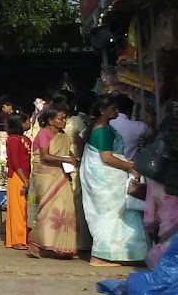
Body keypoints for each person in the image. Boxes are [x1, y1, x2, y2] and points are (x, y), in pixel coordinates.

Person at [81, 95, 146, 267]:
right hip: (106, 179)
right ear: (103, 111)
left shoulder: (101, 127)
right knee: (109, 216)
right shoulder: (102, 130)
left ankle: (113, 253)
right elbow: (107, 157)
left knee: (111, 215)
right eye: (113, 109)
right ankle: (99, 256)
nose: (117, 112)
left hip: (104, 177)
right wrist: (129, 166)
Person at [26, 106, 79, 260]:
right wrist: (67, 159)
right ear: (50, 121)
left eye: (64, 118)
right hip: (46, 175)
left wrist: (72, 159)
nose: (63, 121)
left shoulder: (63, 136)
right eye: (60, 118)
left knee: (64, 210)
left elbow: (65, 152)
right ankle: (36, 242)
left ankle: (60, 246)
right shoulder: (44, 134)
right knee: (48, 210)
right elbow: (45, 156)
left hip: (61, 175)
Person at [4, 113, 31, 250]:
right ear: (21, 124)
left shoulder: (25, 138)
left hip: (26, 175)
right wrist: (24, 179)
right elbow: (15, 162)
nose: (29, 122)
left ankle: (25, 237)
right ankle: (16, 239)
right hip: (17, 176)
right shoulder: (13, 139)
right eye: (27, 121)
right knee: (18, 209)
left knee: (26, 208)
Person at [110, 95, 149, 160]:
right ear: (129, 110)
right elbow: (151, 132)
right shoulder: (139, 127)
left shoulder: (107, 122)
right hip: (128, 164)